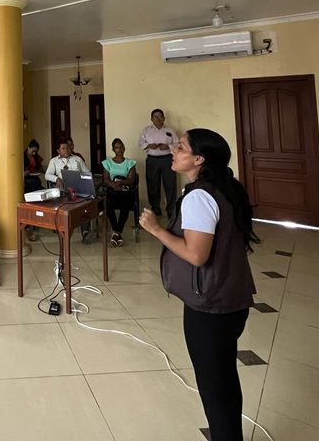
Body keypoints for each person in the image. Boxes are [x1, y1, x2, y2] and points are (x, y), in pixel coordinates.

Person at [139, 129, 259, 441]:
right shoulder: (223, 188)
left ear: (199, 159)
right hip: (231, 297)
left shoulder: (199, 197)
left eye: (181, 147)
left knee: (214, 386)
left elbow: (196, 254)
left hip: (211, 306)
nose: (173, 150)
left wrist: (156, 230)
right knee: (223, 379)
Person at [45, 139, 94, 241]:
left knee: (84, 204)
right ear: (58, 151)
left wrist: (82, 179)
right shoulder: (54, 161)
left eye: (67, 148)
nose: (66, 150)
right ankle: (63, 228)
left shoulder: (77, 159)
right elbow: (47, 175)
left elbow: (88, 173)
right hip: (63, 188)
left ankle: (85, 232)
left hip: (78, 187)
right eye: (63, 148)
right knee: (62, 201)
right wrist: (56, 179)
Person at [139, 108, 178, 216]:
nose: (158, 118)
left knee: (170, 184)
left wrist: (168, 146)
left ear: (164, 118)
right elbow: (140, 142)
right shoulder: (147, 130)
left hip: (168, 160)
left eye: (160, 116)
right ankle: (155, 208)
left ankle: (171, 209)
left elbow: (178, 144)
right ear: (151, 119)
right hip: (152, 160)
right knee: (153, 184)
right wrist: (148, 145)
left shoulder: (170, 130)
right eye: (155, 116)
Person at [102, 138, 138, 247]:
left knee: (126, 204)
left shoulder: (130, 163)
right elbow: (106, 179)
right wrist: (114, 185)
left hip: (125, 191)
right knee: (107, 203)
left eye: (121, 146)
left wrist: (119, 183)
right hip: (113, 191)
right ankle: (118, 233)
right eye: (117, 147)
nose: (120, 149)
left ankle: (116, 233)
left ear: (124, 148)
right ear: (113, 149)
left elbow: (131, 179)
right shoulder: (107, 162)